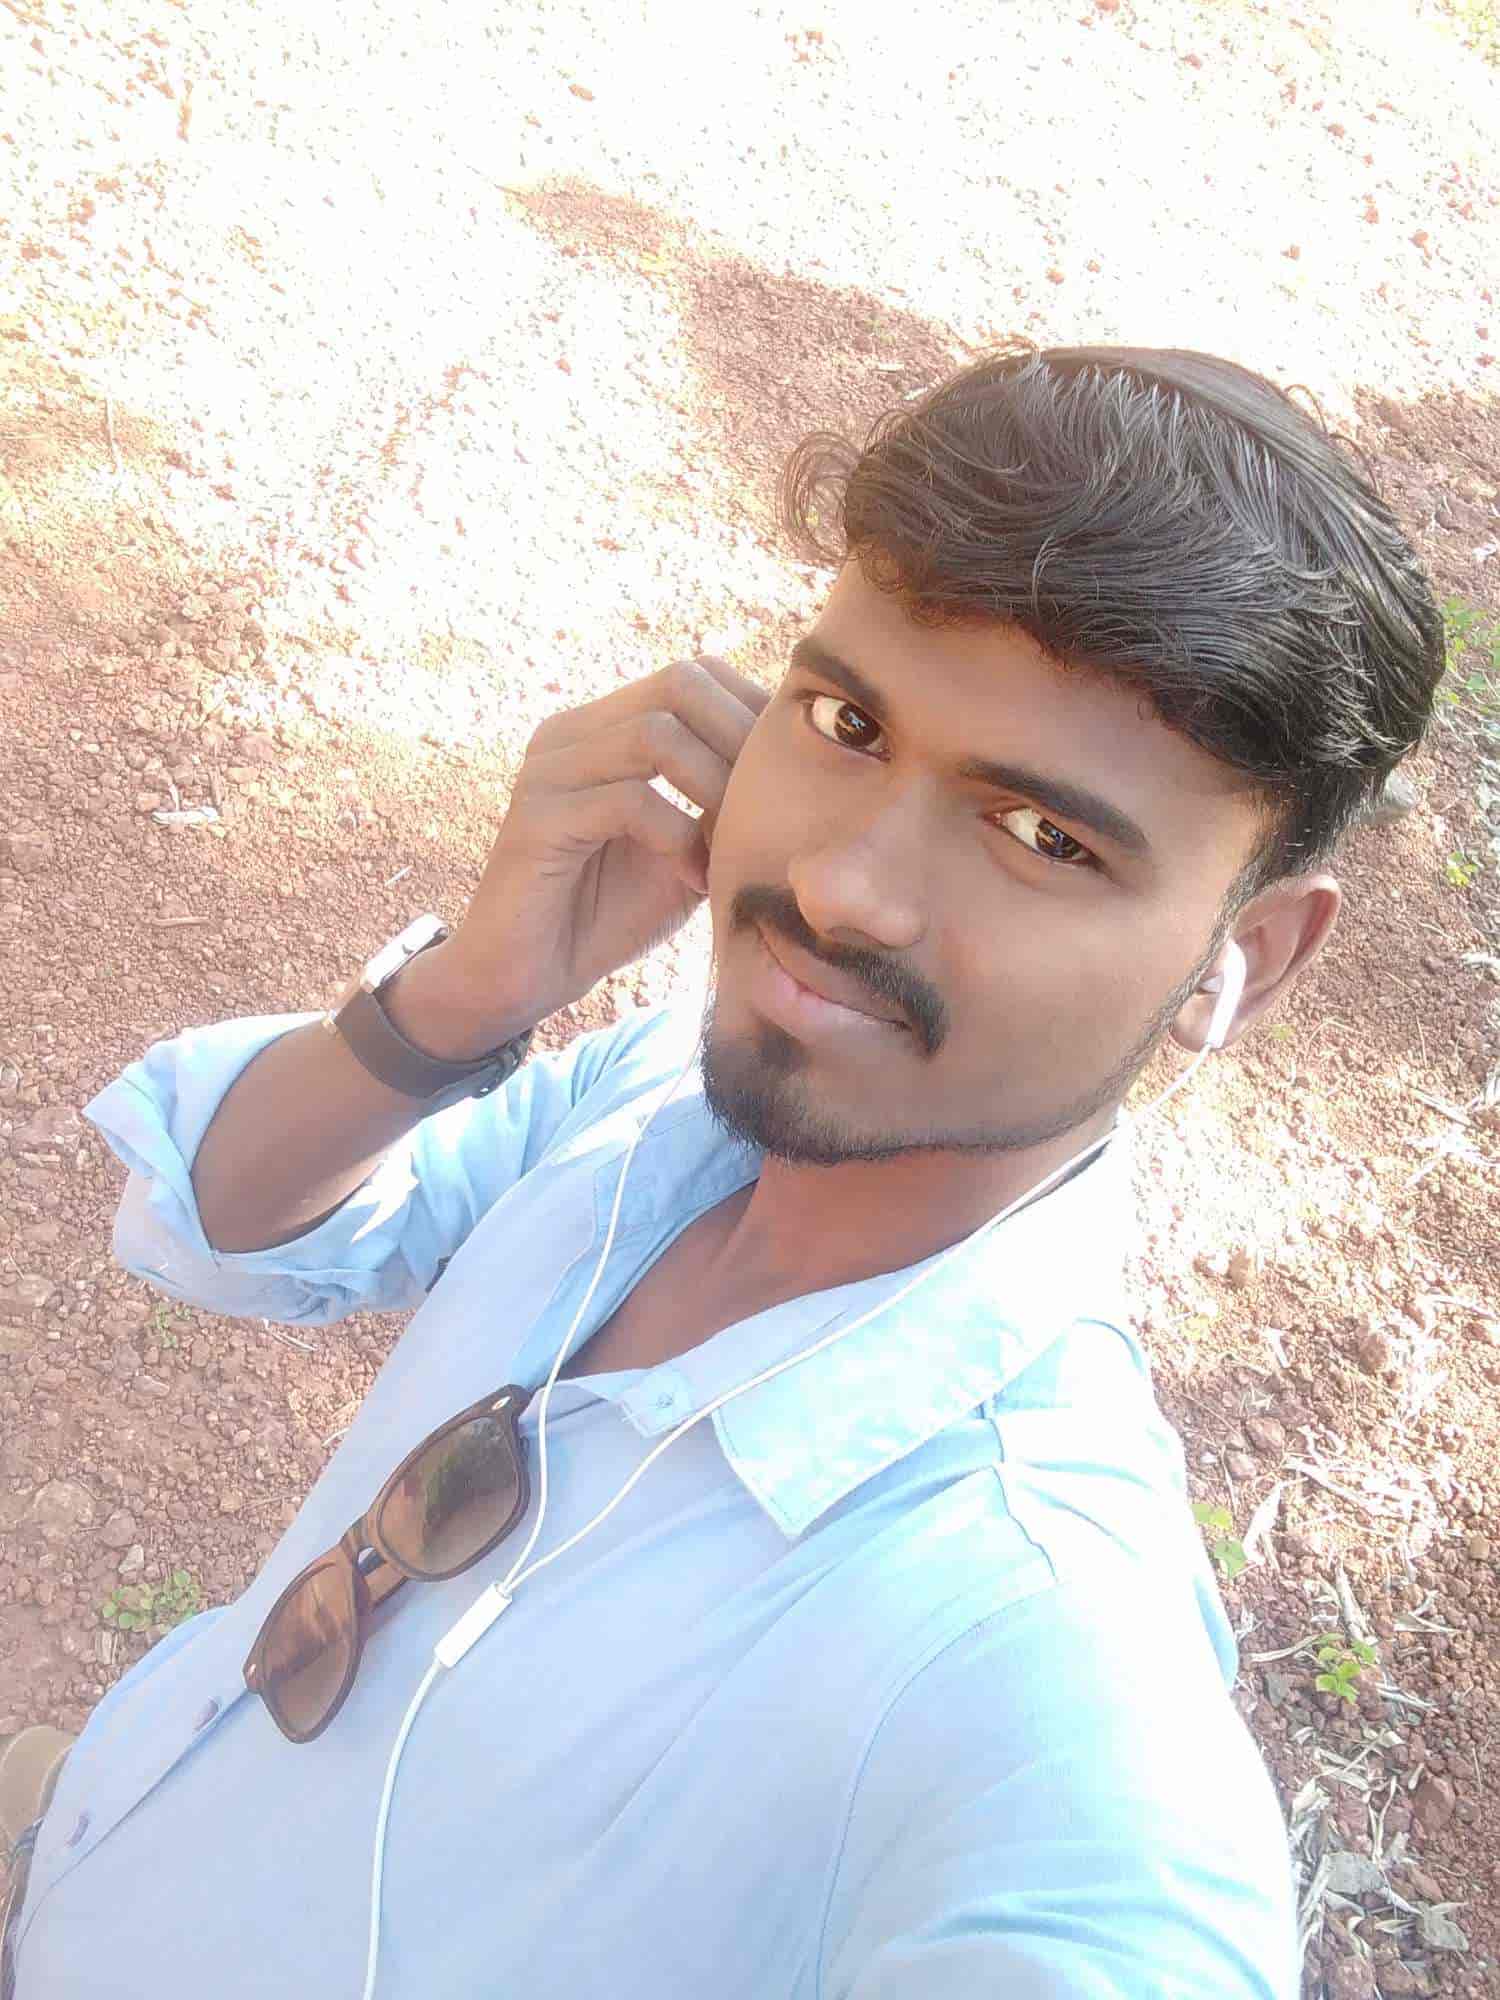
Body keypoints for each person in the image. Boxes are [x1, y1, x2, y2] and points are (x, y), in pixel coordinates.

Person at [2, 342, 1443, 1999]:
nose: (842, 889)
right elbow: (227, 1219)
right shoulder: (659, 1112)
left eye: (1045, 837)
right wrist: (466, 998)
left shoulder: (1029, 1661)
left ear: (1241, 961)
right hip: (101, 1831)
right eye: (847, 723)